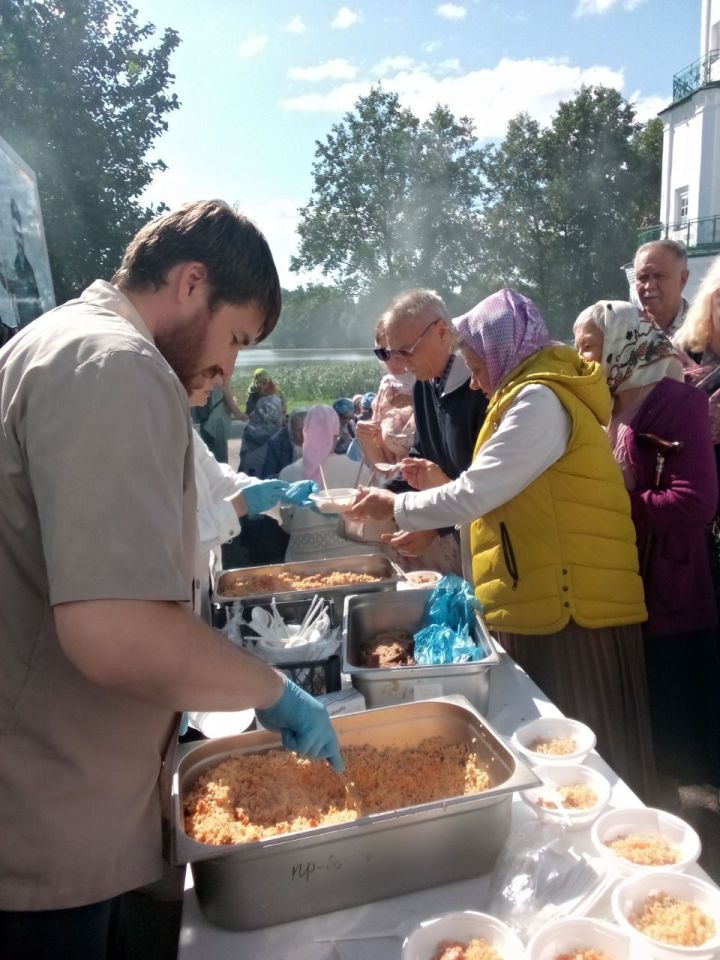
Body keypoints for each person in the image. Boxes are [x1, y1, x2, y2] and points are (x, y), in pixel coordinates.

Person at [0, 200, 341, 960]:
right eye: (236, 339)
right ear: (192, 284)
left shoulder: (62, 342)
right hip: (48, 820)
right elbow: (116, 633)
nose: (230, 372)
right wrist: (270, 690)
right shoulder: (116, 364)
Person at [349, 289, 655, 796]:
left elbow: (477, 490)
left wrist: (396, 506)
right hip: (550, 596)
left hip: (574, 606)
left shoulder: (538, 400)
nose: (471, 375)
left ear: (501, 348)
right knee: (562, 749)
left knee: (587, 753)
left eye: (475, 361)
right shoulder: (521, 396)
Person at [574, 300, 719, 789]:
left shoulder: (678, 402)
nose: (582, 358)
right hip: (630, 580)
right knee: (650, 719)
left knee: (681, 736)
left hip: (670, 582)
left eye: (589, 346)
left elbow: (695, 502)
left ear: (623, 342)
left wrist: (615, 503)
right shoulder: (613, 402)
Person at [379, 288, 488, 571]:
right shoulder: (423, 386)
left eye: (406, 351)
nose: (400, 364)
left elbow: (485, 487)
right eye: (391, 353)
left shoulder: (481, 386)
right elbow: (421, 455)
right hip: (460, 536)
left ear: (442, 332)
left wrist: (433, 527)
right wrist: (380, 495)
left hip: (491, 541)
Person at [279, 404, 373, 563]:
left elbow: (286, 525)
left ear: (304, 433)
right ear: (337, 435)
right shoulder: (361, 471)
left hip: (304, 565)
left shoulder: (287, 474)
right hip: (358, 562)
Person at [354, 315, 416, 468]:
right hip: (393, 476)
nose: (393, 361)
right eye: (384, 353)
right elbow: (380, 460)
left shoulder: (432, 382)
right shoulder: (387, 385)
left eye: (401, 351)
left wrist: (415, 402)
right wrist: (365, 435)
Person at [634, 239, 689, 338]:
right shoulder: (625, 329)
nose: (649, 286)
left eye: (660, 276)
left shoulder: (705, 331)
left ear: (682, 279)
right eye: (642, 277)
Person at [7, 198, 43, 328]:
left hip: (38, 322)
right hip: (23, 323)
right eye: (15, 230)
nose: (18, 235)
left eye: (19, 229)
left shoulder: (34, 263)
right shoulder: (11, 263)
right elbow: (11, 288)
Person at [194, 380, 246, 463]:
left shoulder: (205, 375)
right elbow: (227, 396)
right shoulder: (220, 376)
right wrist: (240, 414)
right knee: (221, 460)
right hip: (218, 422)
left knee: (208, 457)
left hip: (204, 421)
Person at [238, 393, 286, 477]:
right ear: (274, 414)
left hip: (246, 479)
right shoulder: (278, 438)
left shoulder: (250, 431)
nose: (285, 417)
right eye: (282, 413)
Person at [262, 407, 307, 479]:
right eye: (298, 430)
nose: (303, 435)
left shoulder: (319, 440)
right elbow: (267, 477)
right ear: (291, 429)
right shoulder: (276, 443)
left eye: (306, 429)